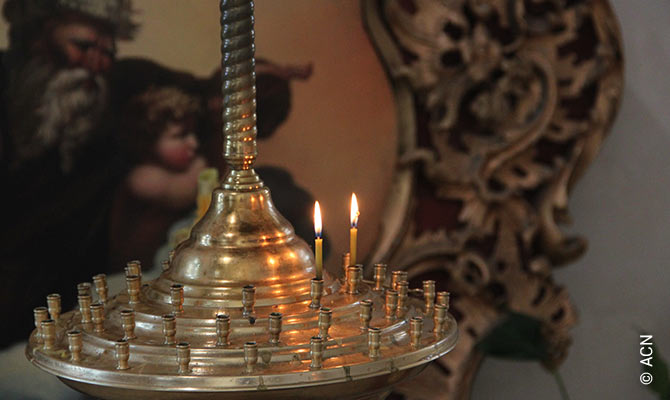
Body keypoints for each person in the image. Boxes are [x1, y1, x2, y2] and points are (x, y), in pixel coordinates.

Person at [0, 0, 136, 347]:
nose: (96, 63)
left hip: (62, 311)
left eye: (107, 52)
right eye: (83, 46)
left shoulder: (112, 104)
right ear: (38, 39)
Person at [109, 84, 206, 269]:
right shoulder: (142, 178)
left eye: (193, 133)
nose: (193, 143)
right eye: (181, 135)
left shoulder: (168, 170)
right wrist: (203, 165)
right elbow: (187, 190)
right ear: (147, 142)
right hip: (133, 272)